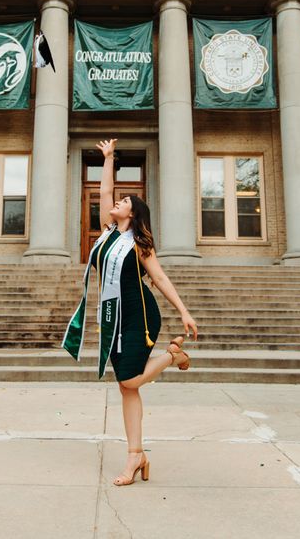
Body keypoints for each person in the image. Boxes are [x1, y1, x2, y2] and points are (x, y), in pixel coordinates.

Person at [90, 138, 199, 486]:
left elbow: (160, 276)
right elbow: (105, 190)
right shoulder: (108, 234)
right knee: (127, 389)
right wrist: (108, 158)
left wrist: (183, 310)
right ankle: (136, 456)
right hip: (115, 318)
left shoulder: (138, 243)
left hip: (139, 315)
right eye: (118, 200)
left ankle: (172, 356)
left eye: (123, 202)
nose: (116, 203)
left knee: (129, 380)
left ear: (133, 213)